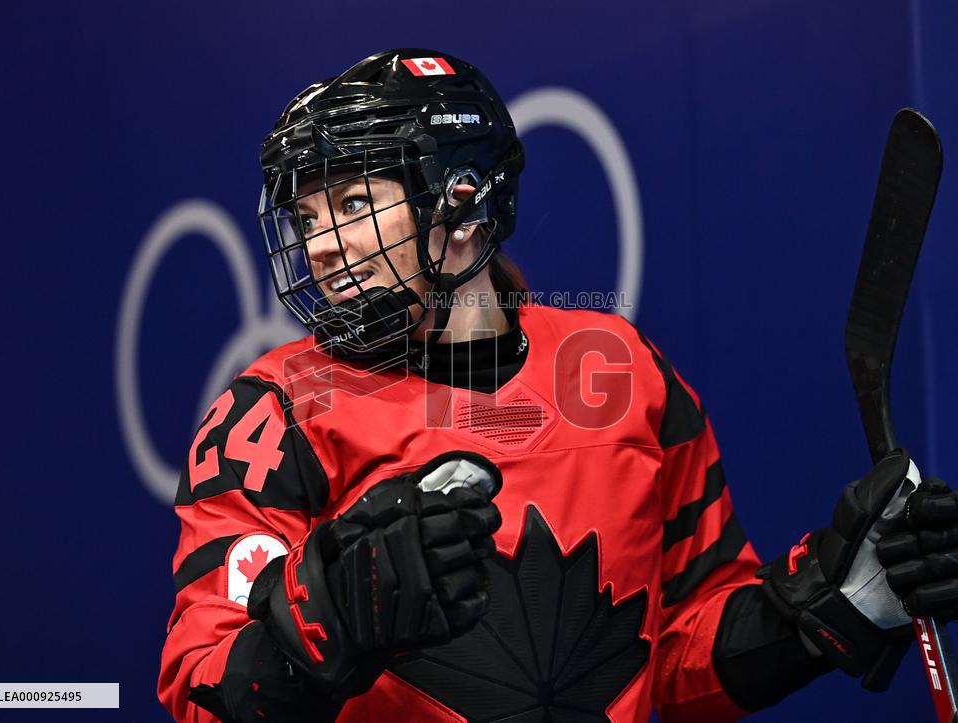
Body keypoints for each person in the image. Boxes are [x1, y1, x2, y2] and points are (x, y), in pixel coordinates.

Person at [158, 49, 958, 722]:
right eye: (306, 217)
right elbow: (200, 686)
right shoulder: (272, 412)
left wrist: (833, 606)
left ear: (463, 201)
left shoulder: (620, 368)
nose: (321, 246)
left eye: (354, 202)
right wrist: (325, 620)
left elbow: (675, 648)